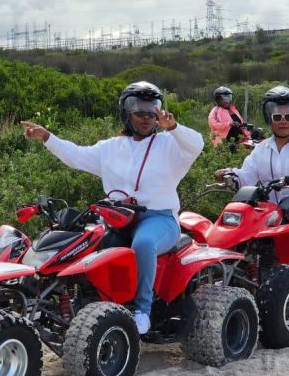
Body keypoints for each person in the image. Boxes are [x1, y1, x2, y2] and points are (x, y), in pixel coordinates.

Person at [20, 81, 204, 335]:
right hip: (116, 217)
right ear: (126, 112)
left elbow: (197, 144)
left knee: (143, 243)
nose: (146, 117)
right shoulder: (111, 147)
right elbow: (76, 156)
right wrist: (48, 138)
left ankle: (142, 311)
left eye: (153, 110)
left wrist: (173, 127)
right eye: (139, 110)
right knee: (83, 242)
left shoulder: (170, 145)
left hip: (159, 219)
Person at [216, 86, 289, 264]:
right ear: (269, 119)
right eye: (277, 117)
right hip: (271, 206)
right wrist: (230, 174)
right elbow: (247, 175)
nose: (283, 121)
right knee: (235, 221)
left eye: (288, 117)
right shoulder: (261, 148)